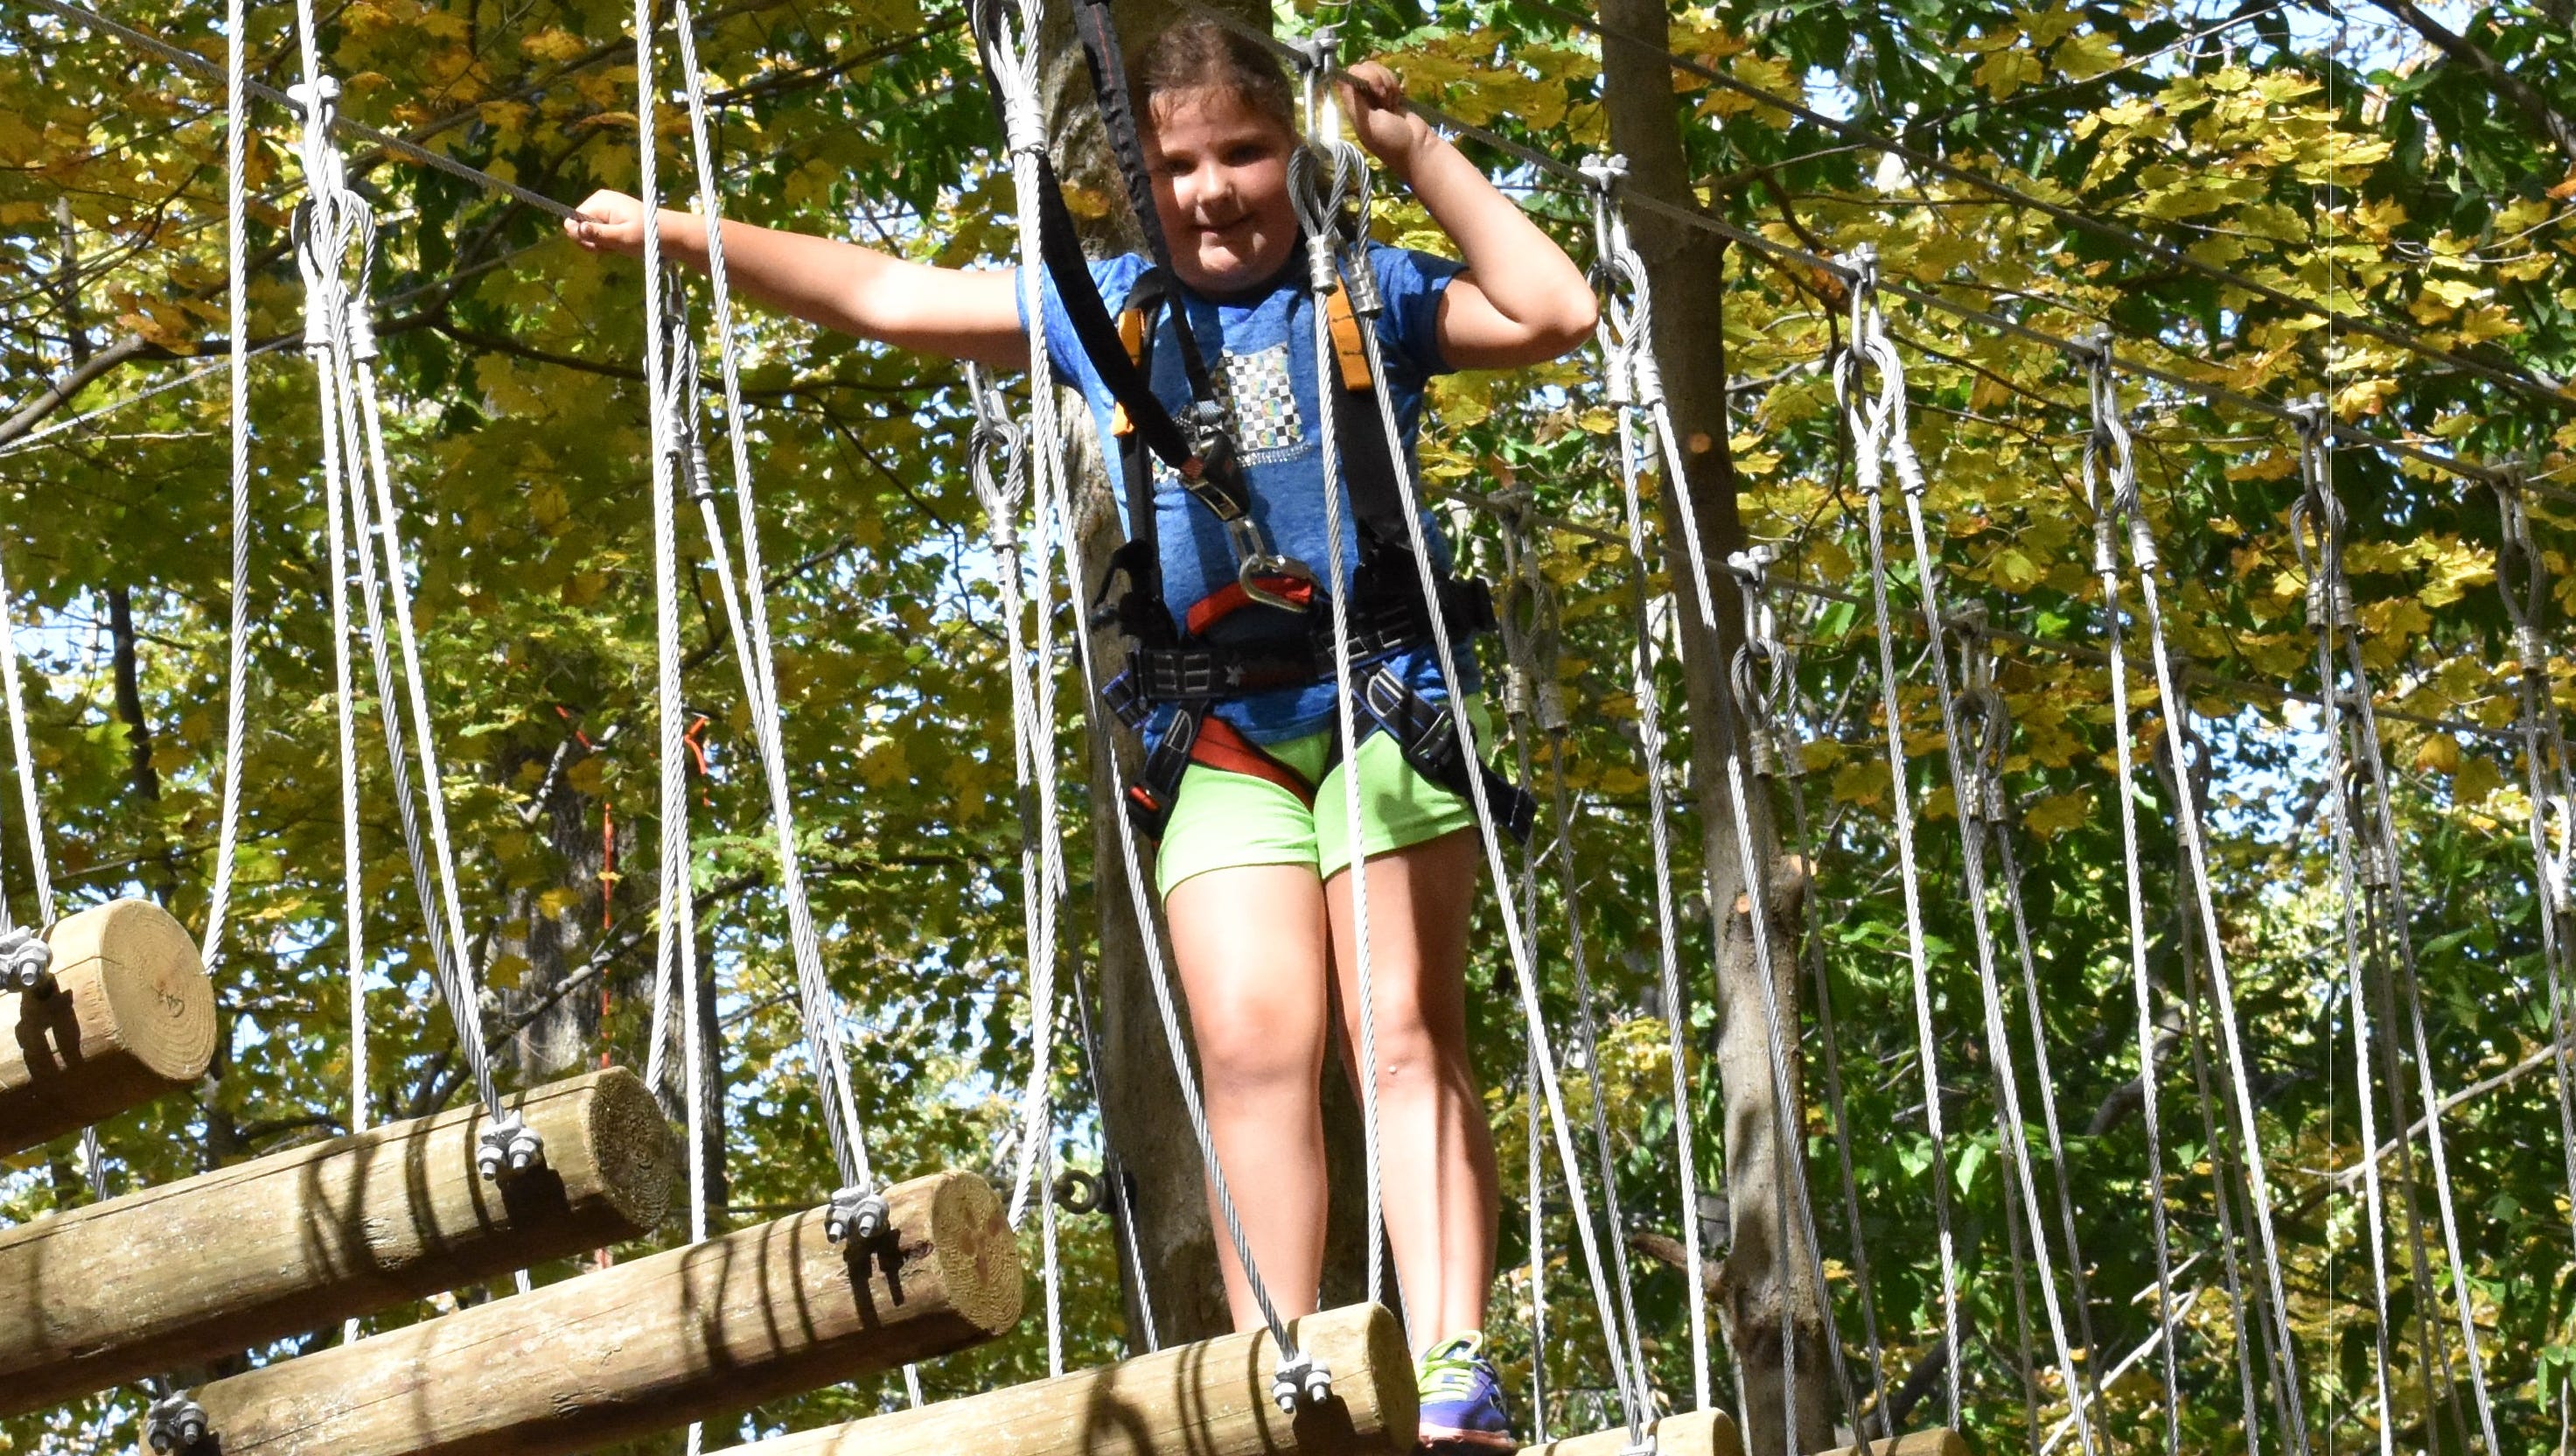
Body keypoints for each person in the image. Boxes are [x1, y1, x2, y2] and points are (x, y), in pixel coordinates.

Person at [568, 20, 1594, 1451]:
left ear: (1290, 159)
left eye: (1244, 152)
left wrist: (1416, 151)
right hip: (1216, 734)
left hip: (1376, 709)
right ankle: (1278, 1372)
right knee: (1249, 1048)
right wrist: (681, 230)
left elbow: (1551, 312)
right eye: (1179, 165)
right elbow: (882, 295)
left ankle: (1452, 1371)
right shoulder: (1100, 308)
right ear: (1134, 186)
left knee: (1399, 1035)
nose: (1216, 189)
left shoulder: (1367, 292)